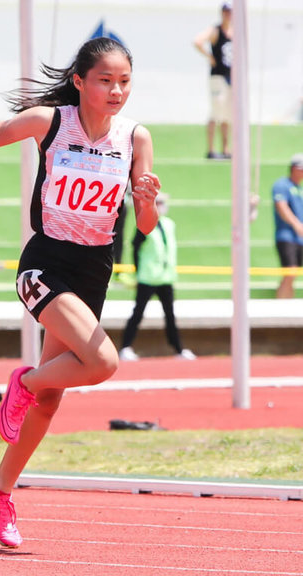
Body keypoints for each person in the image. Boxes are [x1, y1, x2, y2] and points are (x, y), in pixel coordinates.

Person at [0, 37, 160, 548]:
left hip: (95, 273)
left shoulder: (136, 138)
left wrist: (148, 202)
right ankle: (21, 385)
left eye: (125, 82)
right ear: (79, 82)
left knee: (49, 402)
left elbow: (147, 226)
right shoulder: (49, 122)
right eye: (105, 80)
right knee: (104, 362)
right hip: (45, 266)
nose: (116, 91)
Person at [119, 193, 196, 361]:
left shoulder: (169, 224)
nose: (162, 206)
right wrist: (138, 271)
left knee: (170, 315)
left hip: (166, 277)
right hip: (148, 277)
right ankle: (125, 347)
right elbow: (135, 248)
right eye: (159, 203)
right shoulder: (145, 225)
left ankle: (178, 349)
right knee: (138, 313)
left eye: (162, 202)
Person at [193, 1, 233, 160]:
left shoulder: (234, 32)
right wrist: (209, 56)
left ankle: (225, 148)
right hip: (218, 76)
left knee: (227, 114)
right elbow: (197, 41)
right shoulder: (215, 30)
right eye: (226, 12)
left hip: (230, 77)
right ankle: (211, 149)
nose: (228, 15)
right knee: (216, 112)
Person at [272, 154, 303, 299]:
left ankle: (288, 304)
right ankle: (281, 306)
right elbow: (281, 207)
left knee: (294, 273)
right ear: (294, 169)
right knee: (289, 272)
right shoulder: (282, 185)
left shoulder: (298, 188)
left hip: (299, 238)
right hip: (287, 236)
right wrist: (296, 224)